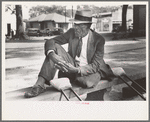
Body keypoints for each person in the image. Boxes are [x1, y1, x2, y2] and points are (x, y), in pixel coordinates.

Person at [24, 9, 114, 98]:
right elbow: (51, 41)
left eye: (79, 25)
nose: (76, 27)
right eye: (75, 24)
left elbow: (95, 66)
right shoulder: (71, 32)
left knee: (86, 82)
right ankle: (40, 84)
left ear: (88, 26)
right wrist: (51, 55)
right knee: (53, 48)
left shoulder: (98, 40)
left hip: (89, 69)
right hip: (72, 65)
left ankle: (76, 76)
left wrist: (76, 70)